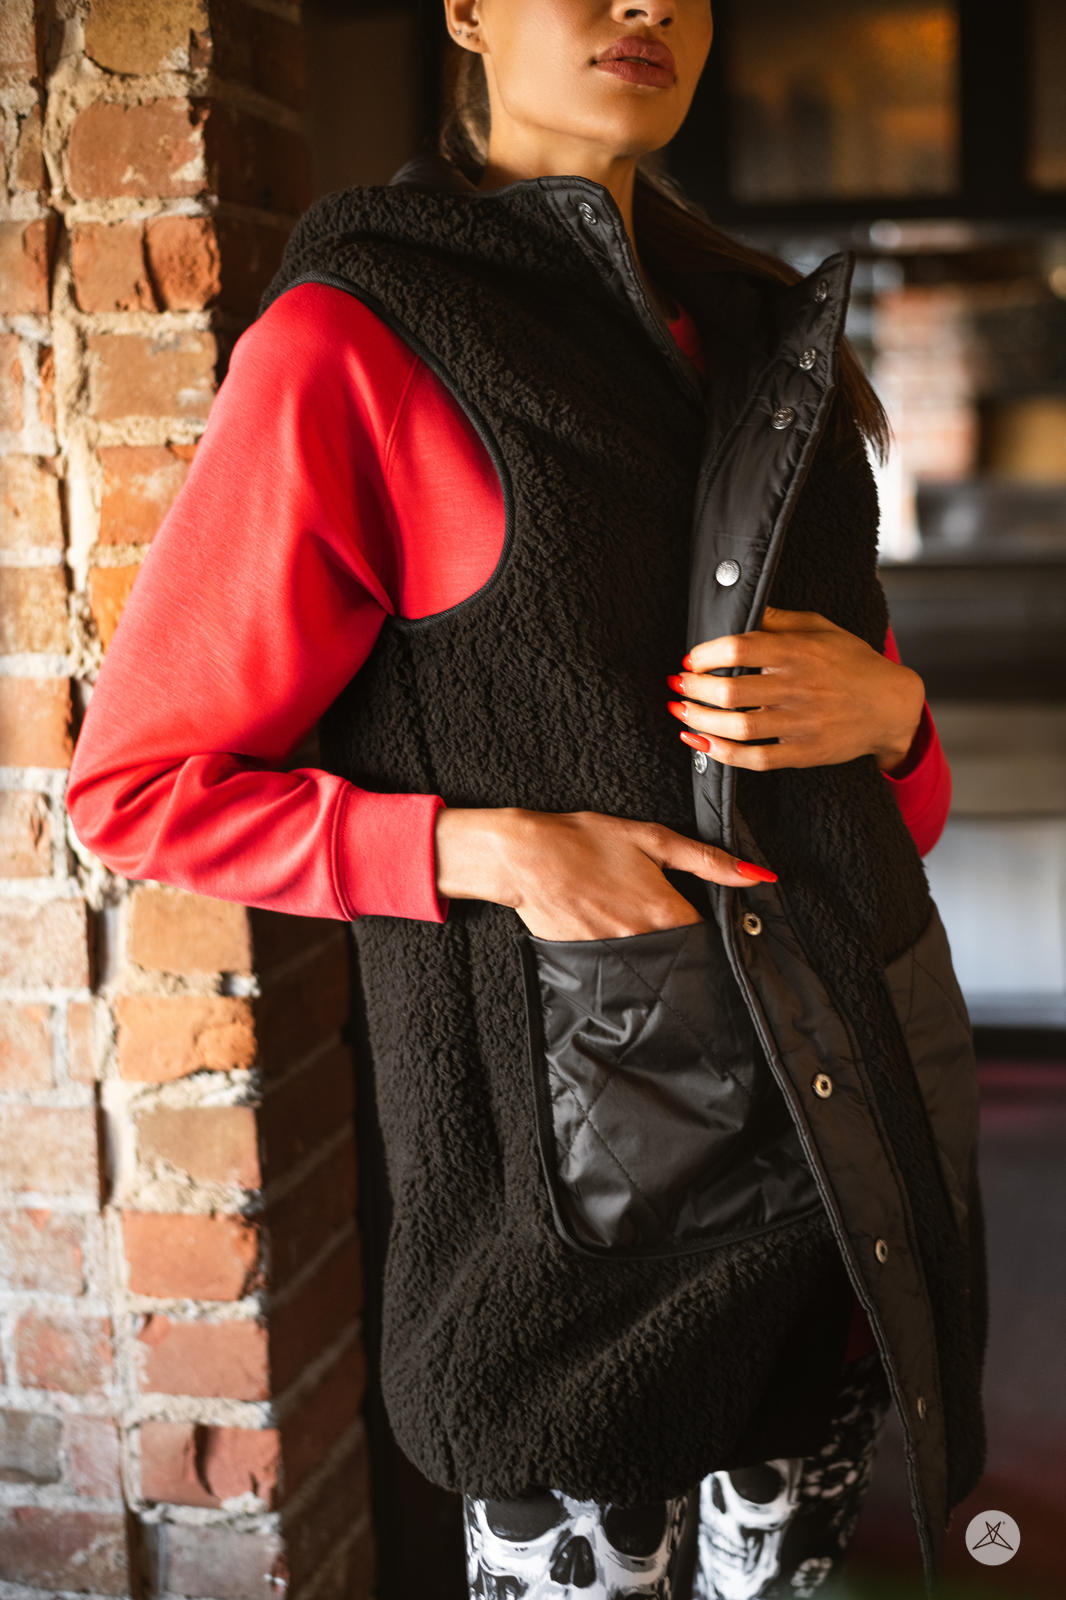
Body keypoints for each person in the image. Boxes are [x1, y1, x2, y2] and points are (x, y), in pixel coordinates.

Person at [66, 3, 987, 1596]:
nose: (645, 8)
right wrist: (487, 851)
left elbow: (889, 818)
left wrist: (896, 716)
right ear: (468, 11)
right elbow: (140, 790)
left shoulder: (769, 333)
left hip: (843, 1184)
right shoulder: (363, 337)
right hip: (586, 1242)